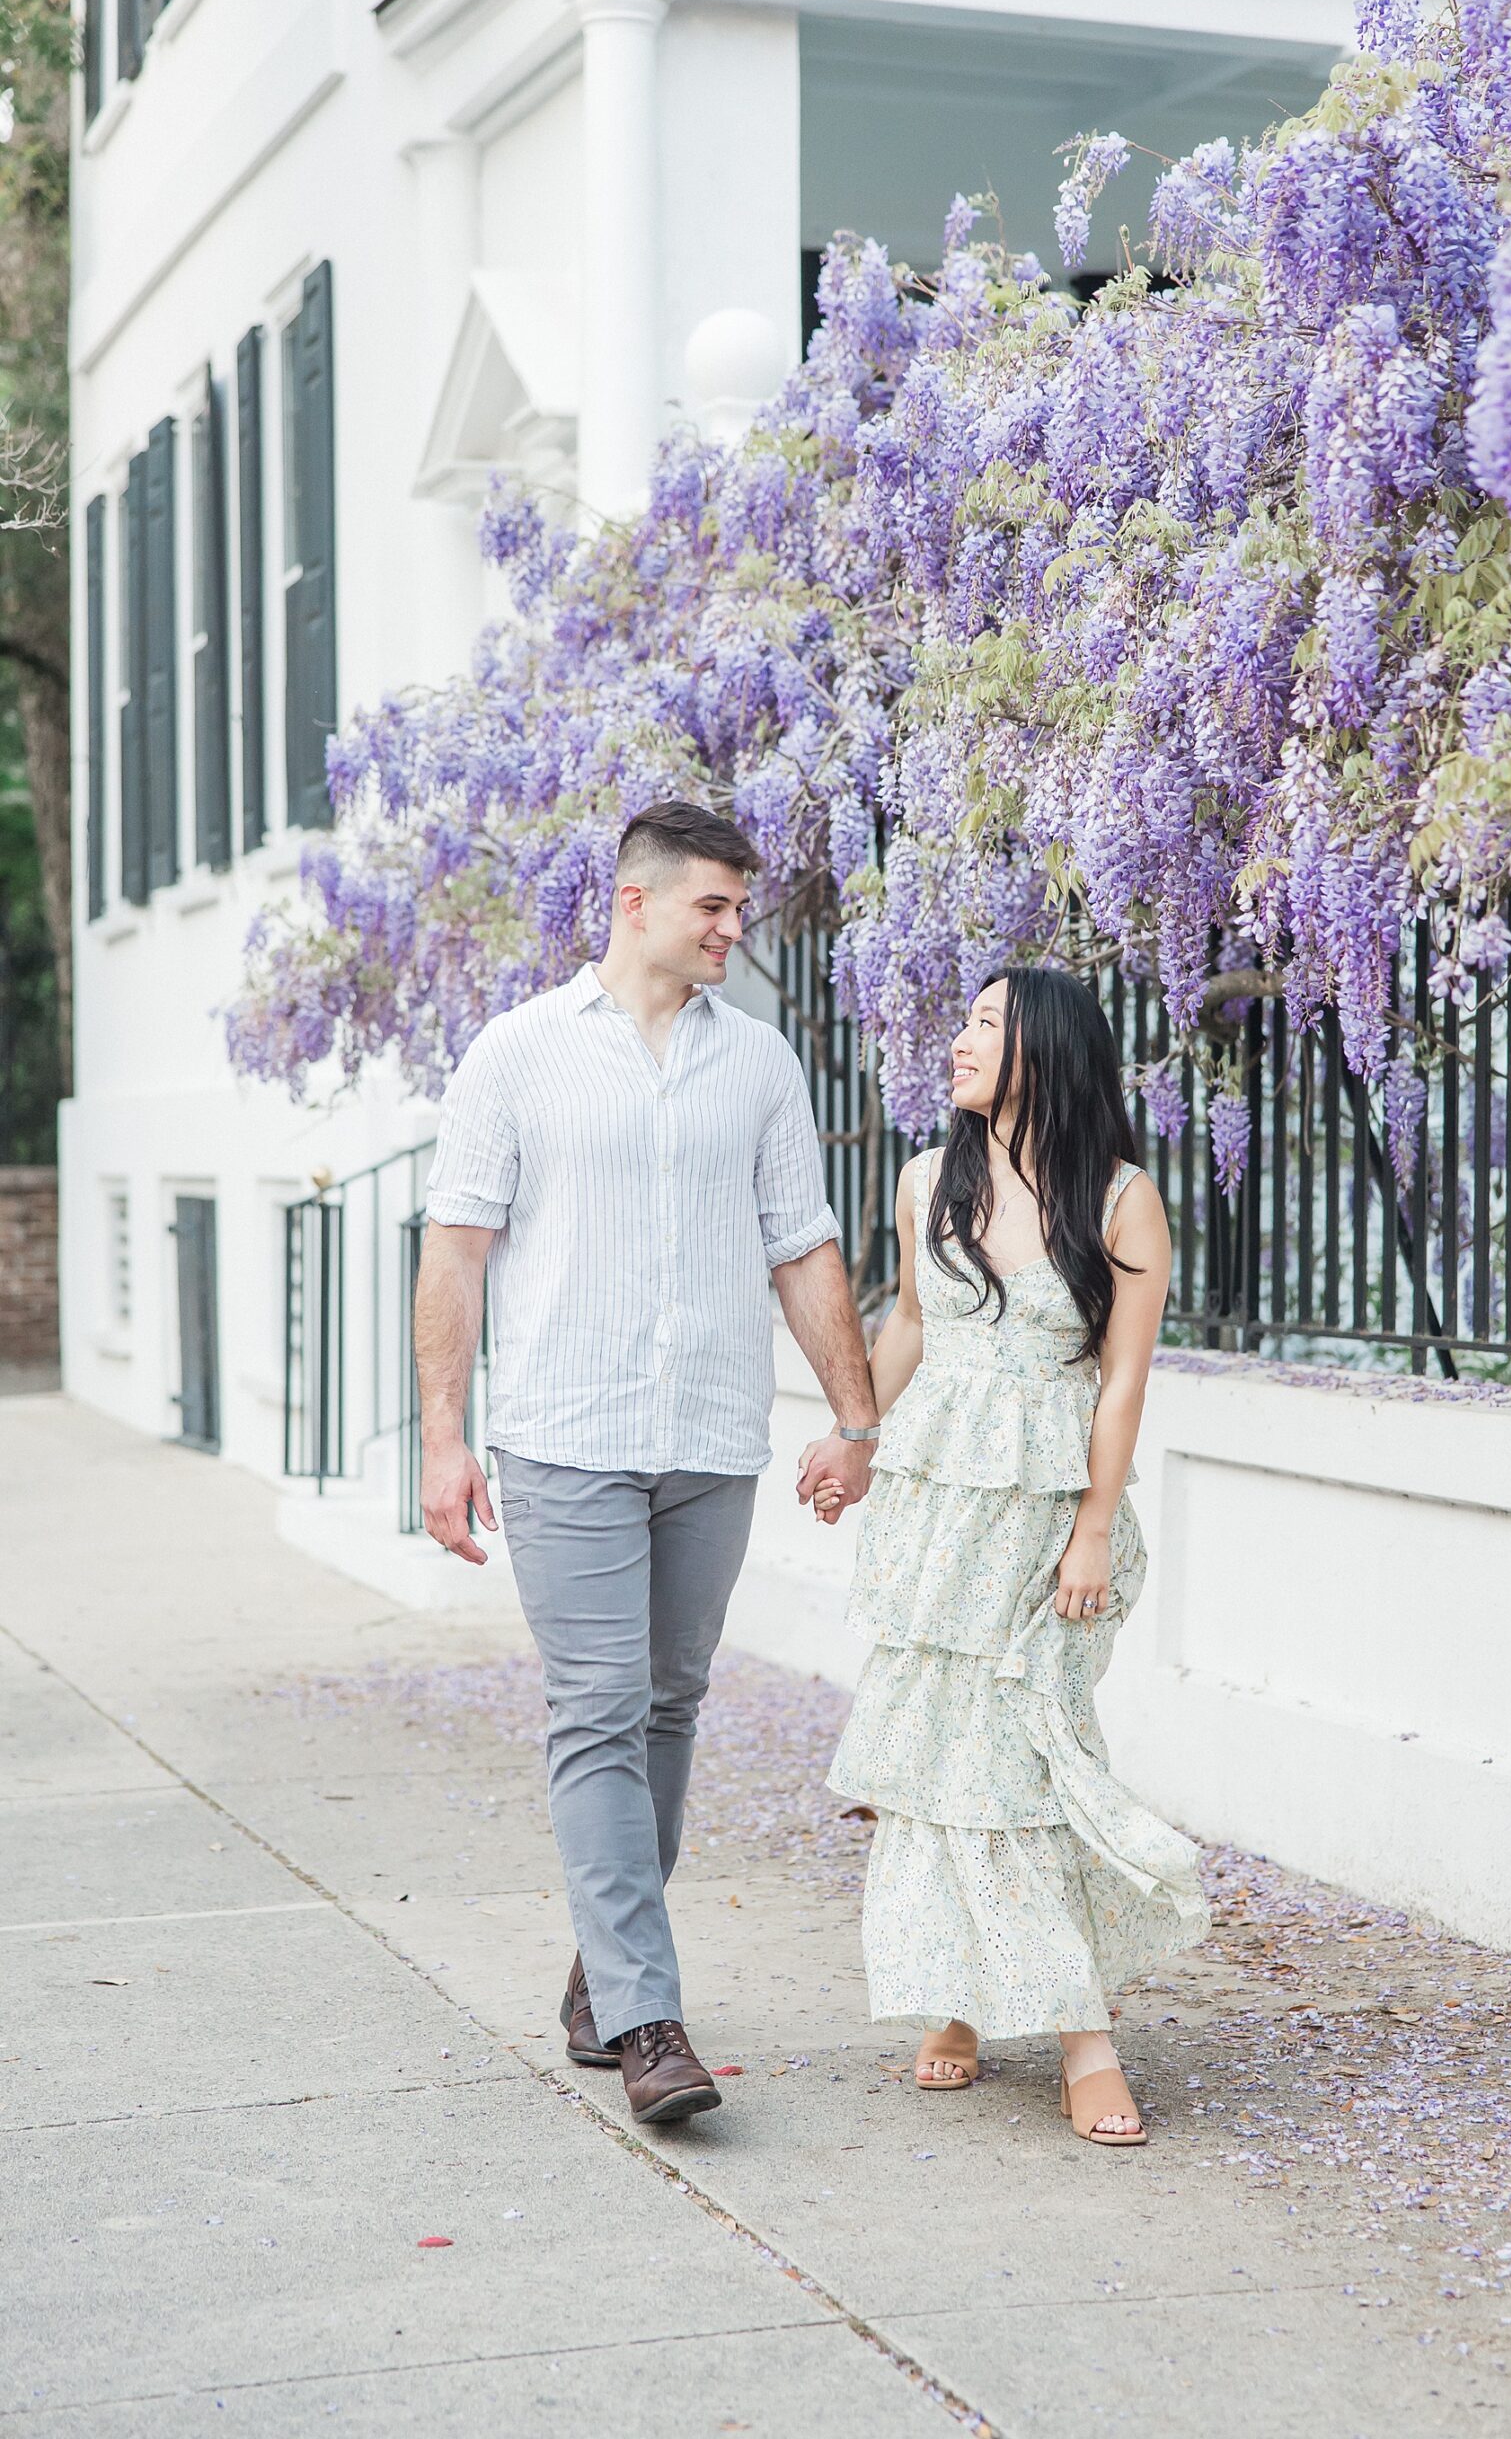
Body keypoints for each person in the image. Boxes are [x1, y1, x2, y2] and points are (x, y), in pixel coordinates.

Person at [416, 800, 881, 2126]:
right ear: (636, 904)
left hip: (709, 1438)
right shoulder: (516, 1054)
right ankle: (647, 2020)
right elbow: (454, 1254)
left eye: (741, 908)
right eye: (714, 908)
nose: (736, 929)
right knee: (598, 1708)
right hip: (564, 1435)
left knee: (668, 1706)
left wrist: (853, 1421)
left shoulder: (760, 1066)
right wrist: (444, 1443)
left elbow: (801, 1247)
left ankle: (600, 1973)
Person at [803, 968, 1211, 2146]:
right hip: (940, 1515)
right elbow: (914, 1325)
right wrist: (856, 1437)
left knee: (1026, 1758)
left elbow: (1124, 1378)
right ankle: (957, 2001)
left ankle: (1082, 2034)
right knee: (935, 1758)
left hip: (1046, 1523)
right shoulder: (928, 1179)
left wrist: (1092, 1525)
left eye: (986, 1021)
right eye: (964, 1015)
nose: (959, 1037)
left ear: (1048, 1046)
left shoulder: (1123, 1199)